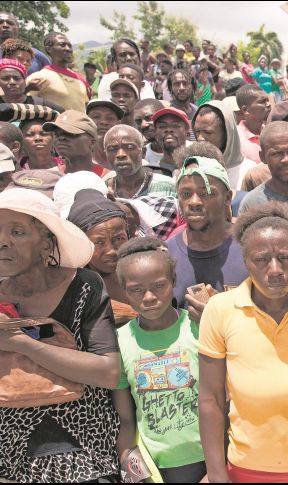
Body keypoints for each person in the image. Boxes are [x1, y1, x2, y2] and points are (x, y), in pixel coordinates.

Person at [198, 201, 288, 483]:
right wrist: (217, 474)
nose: (275, 269)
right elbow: (210, 399)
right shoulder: (220, 310)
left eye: (286, 257)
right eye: (262, 259)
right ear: (245, 261)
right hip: (252, 468)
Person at [0, 188, 119, 482]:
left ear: (45, 242)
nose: (2, 242)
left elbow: (108, 372)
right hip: (11, 459)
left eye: (16, 232)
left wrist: (21, 344)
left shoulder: (84, 286)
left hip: (83, 450)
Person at [113, 237, 206, 483]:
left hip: (209, 461)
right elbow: (125, 419)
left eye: (158, 286)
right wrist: (134, 474)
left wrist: (220, 467)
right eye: (136, 289)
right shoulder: (119, 342)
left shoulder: (199, 329)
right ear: (124, 291)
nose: (148, 297)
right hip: (155, 469)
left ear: (173, 281)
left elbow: (224, 401)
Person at [167, 156, 249, 320]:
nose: (194, 202)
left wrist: (220, 317)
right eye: (186, 194)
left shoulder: (252, 247)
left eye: (207, 193)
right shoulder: (166, 254)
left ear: (227, 198)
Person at [66, 188, 136, 326]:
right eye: (99, 242)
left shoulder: (142, 270)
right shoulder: (72, 287)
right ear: (81, 244)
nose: (111, 251)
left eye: (118, 239)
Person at [192, 100, 259, 189]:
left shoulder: (249, 171)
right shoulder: (191, 170)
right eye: (197, 132)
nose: (200, 138)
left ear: (227, 133)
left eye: (208, 132)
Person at [104, 125, 176, 198]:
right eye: (112, 149)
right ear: (105, 154)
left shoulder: (167, 186)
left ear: (143, 152)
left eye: (129, 147)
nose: (120, 154)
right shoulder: (102, 190)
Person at [25, 32, 90, 112]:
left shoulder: (80, 80)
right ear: (49, 49)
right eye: (62, 45)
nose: (68, 49)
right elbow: (25, 104)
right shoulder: (40, 77)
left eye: (69, 46)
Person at [42, 110, 112, 177]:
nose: (61, 138)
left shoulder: (108, 179)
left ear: (92, 143)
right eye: (57, 134)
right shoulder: (50, 176)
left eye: (70, 133)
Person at [150, 107, 191, 176]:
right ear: (155, 134)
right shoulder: (150, 173)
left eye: (175, 126)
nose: (168, 130)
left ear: (187, 132)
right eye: (162, 126)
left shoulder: (200, 166)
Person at [235, 84, 270, 164]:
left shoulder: (271, 132)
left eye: (268, 100)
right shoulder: (236, 137)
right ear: (245, 110)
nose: (268, 104)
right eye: (262, 101)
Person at [86, 99, 124, 170]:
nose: (103, 122)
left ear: (118, 124)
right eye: (96, 117)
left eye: (110, 118)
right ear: (86, 121)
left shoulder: (126, 160)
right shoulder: (76, 160)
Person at [133, 98, 164, 166]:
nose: (143, 125)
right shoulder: (140, 156)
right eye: (138, 121)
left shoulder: (189, 149)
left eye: (149, 118)